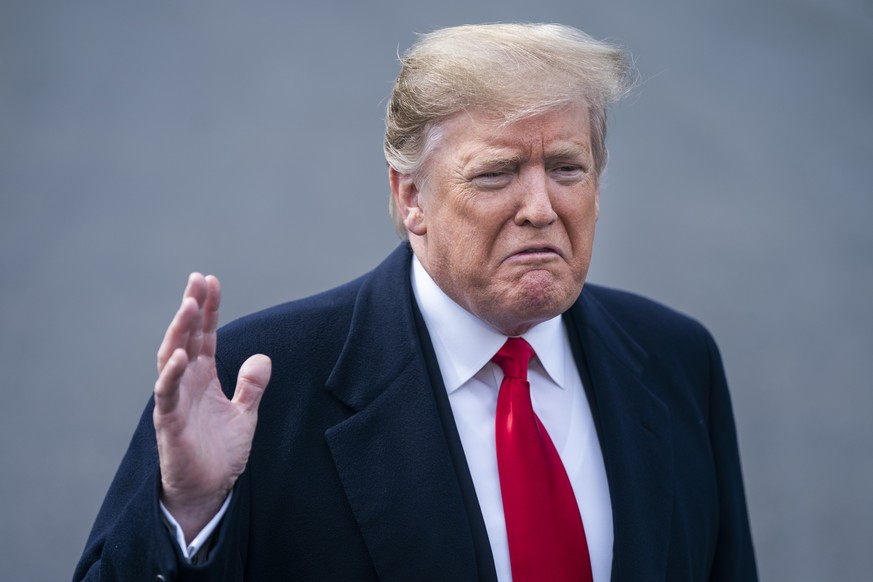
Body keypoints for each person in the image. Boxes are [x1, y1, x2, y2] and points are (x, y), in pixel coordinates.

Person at [74, 23, 757, 581]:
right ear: (410, 198)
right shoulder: (260, 383)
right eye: (496, 173)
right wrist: (188, 513)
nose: (541, 208)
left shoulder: (675, 359)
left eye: (565, 168)